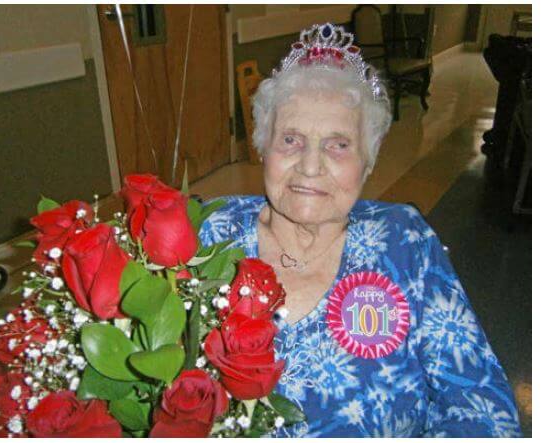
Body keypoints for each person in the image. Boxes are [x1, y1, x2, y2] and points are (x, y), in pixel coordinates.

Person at [199, 23, 521, 437]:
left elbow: (482, 404)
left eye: (338, 144)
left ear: (368, 162)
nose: (310, 166)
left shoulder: (405, 243)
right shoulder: (208, 235)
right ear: (262, 148)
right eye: (291, 140)